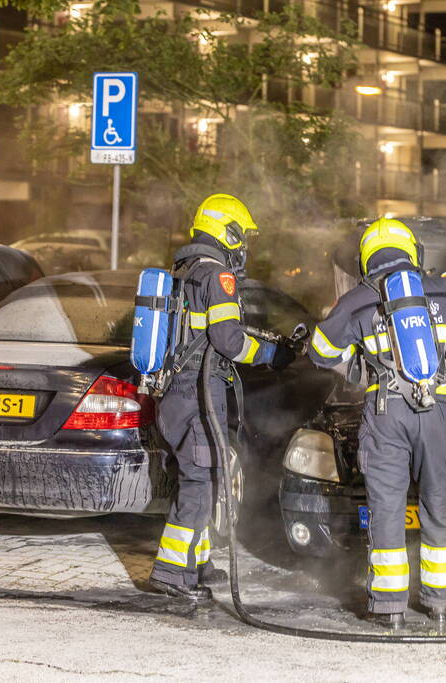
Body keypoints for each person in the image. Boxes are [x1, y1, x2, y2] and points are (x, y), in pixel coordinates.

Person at [307, 217, 446, 629]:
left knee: (386, 509)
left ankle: (389, 608)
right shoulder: (439, 288)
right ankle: (440, 604)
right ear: (411, 252)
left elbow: (319, 350)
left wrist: (354, 366)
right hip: (435, 413)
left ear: (368, 258)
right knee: (438, 505)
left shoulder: (357, 301)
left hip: (386, 414)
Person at [149, 193, 295, 602]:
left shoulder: (184, 270)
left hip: (176, 393)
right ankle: (171, 572)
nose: (243, 245)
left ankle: (198, 563)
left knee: (201, 475)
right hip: (197, 392)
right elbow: (229, 341)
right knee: (200, 479)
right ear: (225, 230)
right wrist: (269, 355)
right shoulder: (217, 276)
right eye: (240, 235)